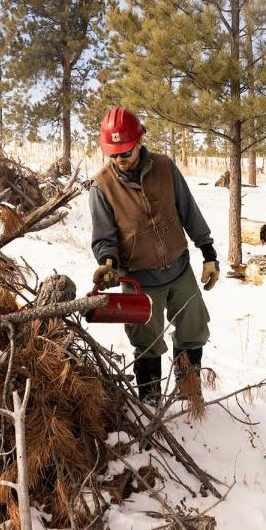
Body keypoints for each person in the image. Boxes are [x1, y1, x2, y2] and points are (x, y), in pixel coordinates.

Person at [89, 107, 221, 406]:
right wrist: (107, 263)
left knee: (192, 332)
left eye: (125, 153)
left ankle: (189, 396)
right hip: (140, 281)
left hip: (180, 269)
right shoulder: (102, 186)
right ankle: (150, 405)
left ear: (139, 141)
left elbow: (189, 211)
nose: (120, 160)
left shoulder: (164, 166)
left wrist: (208, 252)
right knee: (147, 343)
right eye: (113, 155)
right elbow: (104, 236)